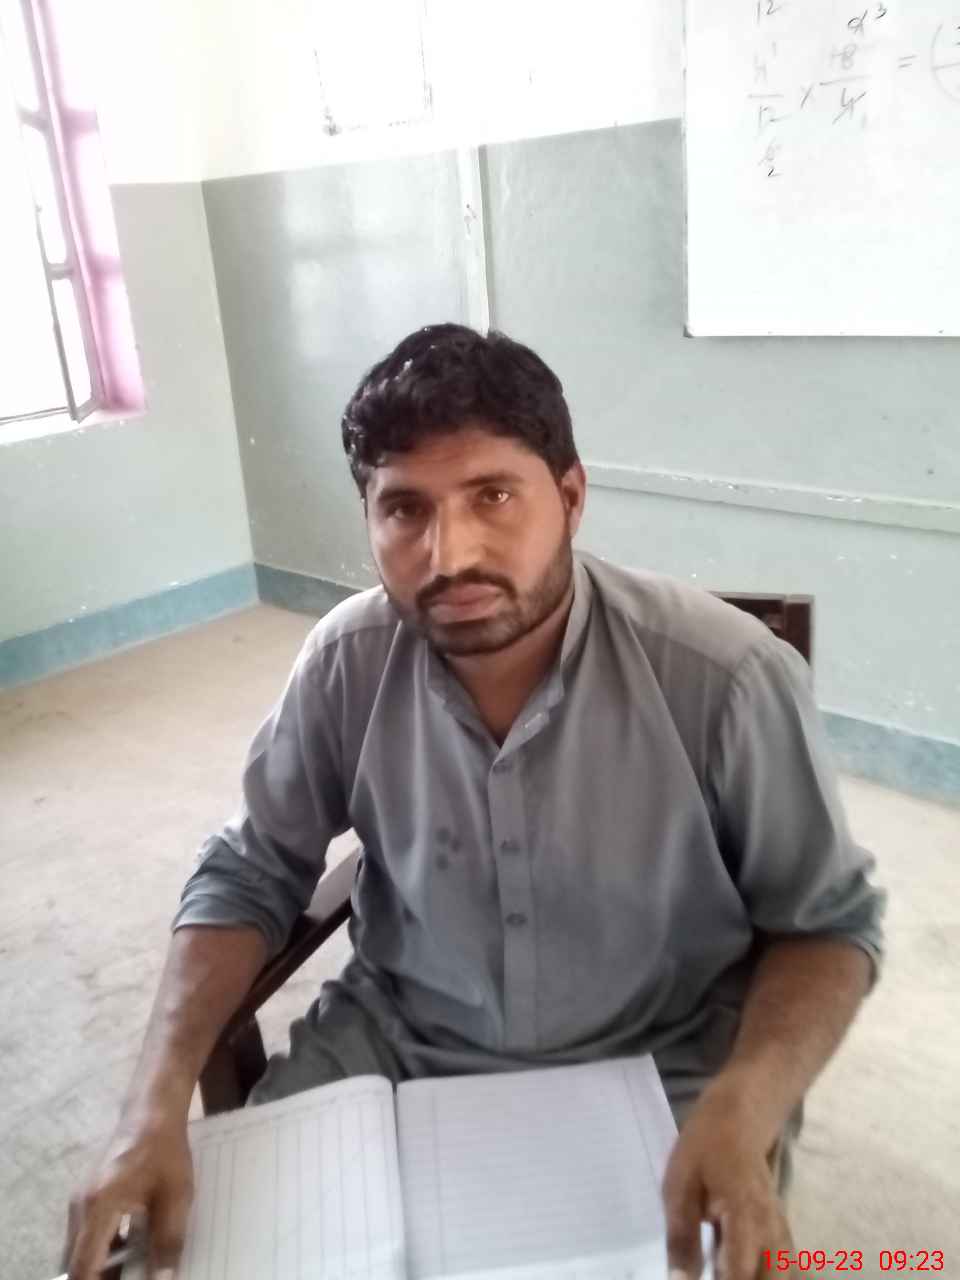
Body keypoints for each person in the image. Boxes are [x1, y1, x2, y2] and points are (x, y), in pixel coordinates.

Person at [65, 324, 885, 1280]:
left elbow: (828, 927)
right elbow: (250, 871)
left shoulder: (727, 677)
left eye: (492, 496)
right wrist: (152, 1103)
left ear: (570, 497)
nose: (448, 554)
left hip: (662, 1062)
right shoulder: (345, 661)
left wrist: (748, 1100)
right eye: (404, 508)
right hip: (398, 1044)